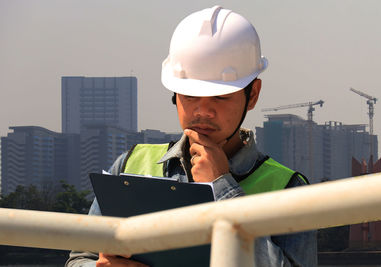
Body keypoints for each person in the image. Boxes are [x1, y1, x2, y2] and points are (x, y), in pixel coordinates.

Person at [66, 6, 317, 267]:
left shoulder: (287, 188)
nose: (203, 111)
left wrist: (222, 188)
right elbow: (81, 258)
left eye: (220, 97)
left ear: (252, 95)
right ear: (174, 93)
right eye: (190, 95)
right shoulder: (130, 165)